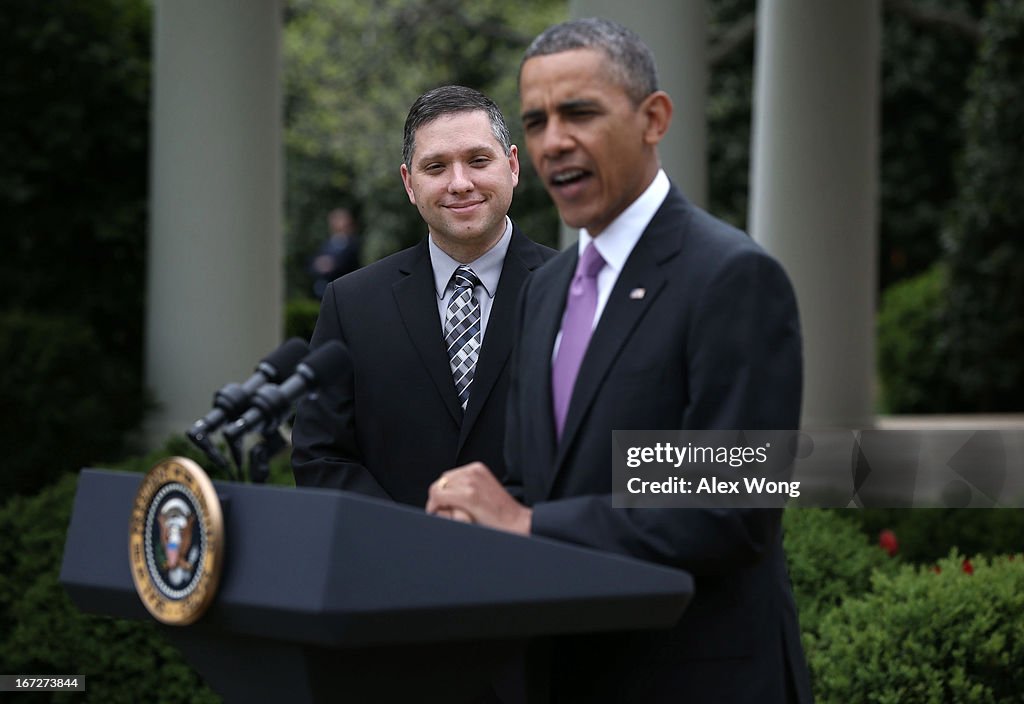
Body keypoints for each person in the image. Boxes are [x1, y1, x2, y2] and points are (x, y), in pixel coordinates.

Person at [426, 19, 813, 703]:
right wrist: (474, 523)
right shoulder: (544, 289)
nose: (553, 141)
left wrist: (528, 524)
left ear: (653, 119)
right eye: (537, 121)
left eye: (579, 113)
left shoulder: (732, 278)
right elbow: (532, 481)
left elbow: (732, 504)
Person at [292, 85, 555, 509]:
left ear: (512, 166)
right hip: (392, 565)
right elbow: (320, 455)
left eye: (478, 160)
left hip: (544, 562)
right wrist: (408, 539)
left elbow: (616, 451)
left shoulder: (578, 292)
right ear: (409, 183)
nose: (460, 183)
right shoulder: (352, 304)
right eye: (436, 167)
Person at [310, 207, 362, 298]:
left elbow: (350, 262)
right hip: (326, 286)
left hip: (344, 285)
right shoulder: (328, 243)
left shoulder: (352, 242)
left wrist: (332, 264)